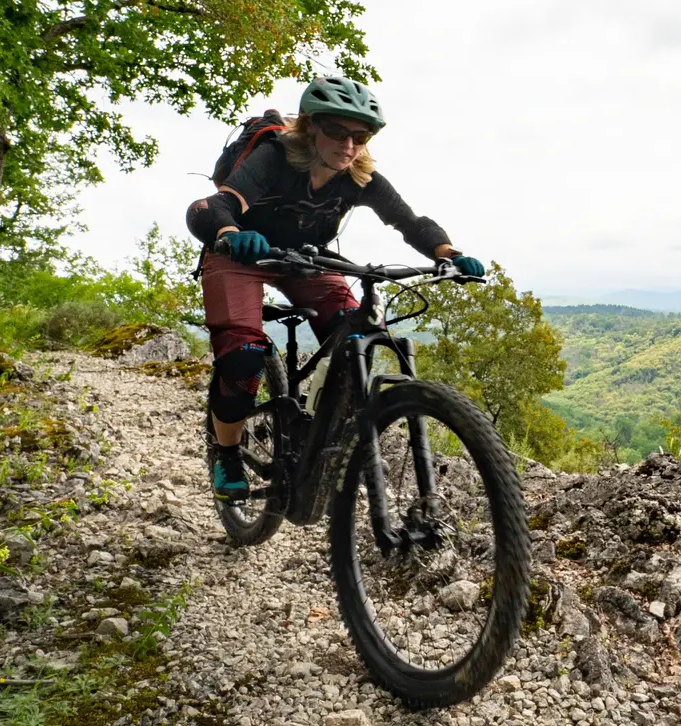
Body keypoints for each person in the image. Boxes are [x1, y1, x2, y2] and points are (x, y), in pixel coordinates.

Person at [184, 76, 484, 500]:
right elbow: (214, 205)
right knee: (243, 357)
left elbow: (409, 222)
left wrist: (446, 252)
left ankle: (324, 436)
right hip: (241, 254)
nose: (349, 144)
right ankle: (227, 453)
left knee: (357, 333)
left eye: (360, 135)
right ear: (310, 127)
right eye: (337, 131)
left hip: (306, 258)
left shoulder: (360, 178)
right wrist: (231, 231)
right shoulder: (275, 157)